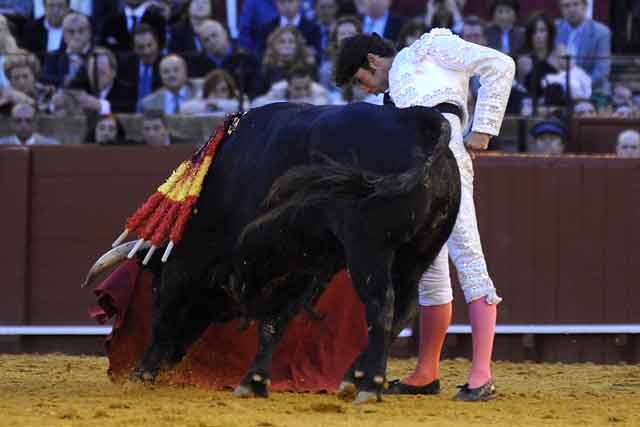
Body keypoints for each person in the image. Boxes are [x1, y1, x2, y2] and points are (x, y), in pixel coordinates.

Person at [335, 29, 514, 401]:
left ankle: (481, 374)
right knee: (427, 267)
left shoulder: (431, 47)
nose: (364, 88)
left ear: (371, 60)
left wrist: (482, 129)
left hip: (445, 149)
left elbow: (500, 64)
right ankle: (426, 372)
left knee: (468, 257)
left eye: (360, 80)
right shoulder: (382, 104)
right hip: (408, 167)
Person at [555, 0, 611, 94]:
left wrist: (576, 87)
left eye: (576, 4)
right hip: (559, 90)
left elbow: (601, 72)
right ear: (561, 9)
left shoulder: (602, 32)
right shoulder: (555, 29)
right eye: (566, 6)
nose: (571, 9)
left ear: (585, 6)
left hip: (592, 90)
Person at [181, 69, 248, 114]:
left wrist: (218, 105)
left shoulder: (238, 98)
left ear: (229, 90)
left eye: (223, 90)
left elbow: (245, 108)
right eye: (214, 90)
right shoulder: (201, 97)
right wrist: (207, 104)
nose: (219, 94)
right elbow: (184, 108)